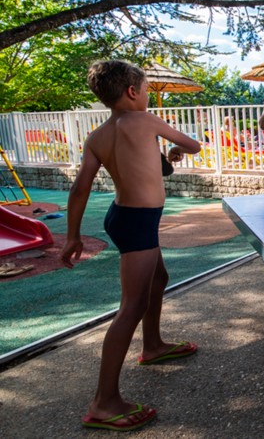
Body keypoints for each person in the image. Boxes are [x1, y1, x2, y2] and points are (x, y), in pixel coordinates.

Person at [59, 60, 201, 432]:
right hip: (138, 224)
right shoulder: (146, 121)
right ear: (133, 91)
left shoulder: (99, 135)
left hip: (122, 217)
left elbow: (81, 187)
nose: (150, 93)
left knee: (159, 279)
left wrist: (73, 235)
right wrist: (173, 142)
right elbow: (194, 145)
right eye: (148, 87)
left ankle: (153, 345)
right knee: (131, 305)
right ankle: (104, 402)